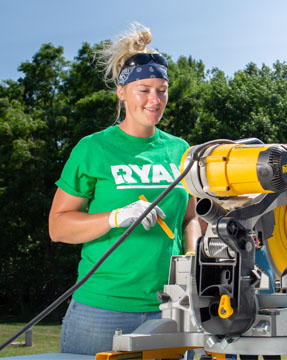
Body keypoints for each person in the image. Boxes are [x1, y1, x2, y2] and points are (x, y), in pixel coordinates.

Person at [48, 23, 201, 355]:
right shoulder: (93, 148)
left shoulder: (179, 150)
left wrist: (193, 257)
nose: (154, 99)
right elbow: (58, 226)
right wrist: (117, 216)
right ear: (121, 91)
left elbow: (191, 217)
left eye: (162, 90)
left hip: (170, 308)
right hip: (101, 311)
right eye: (143, 89)